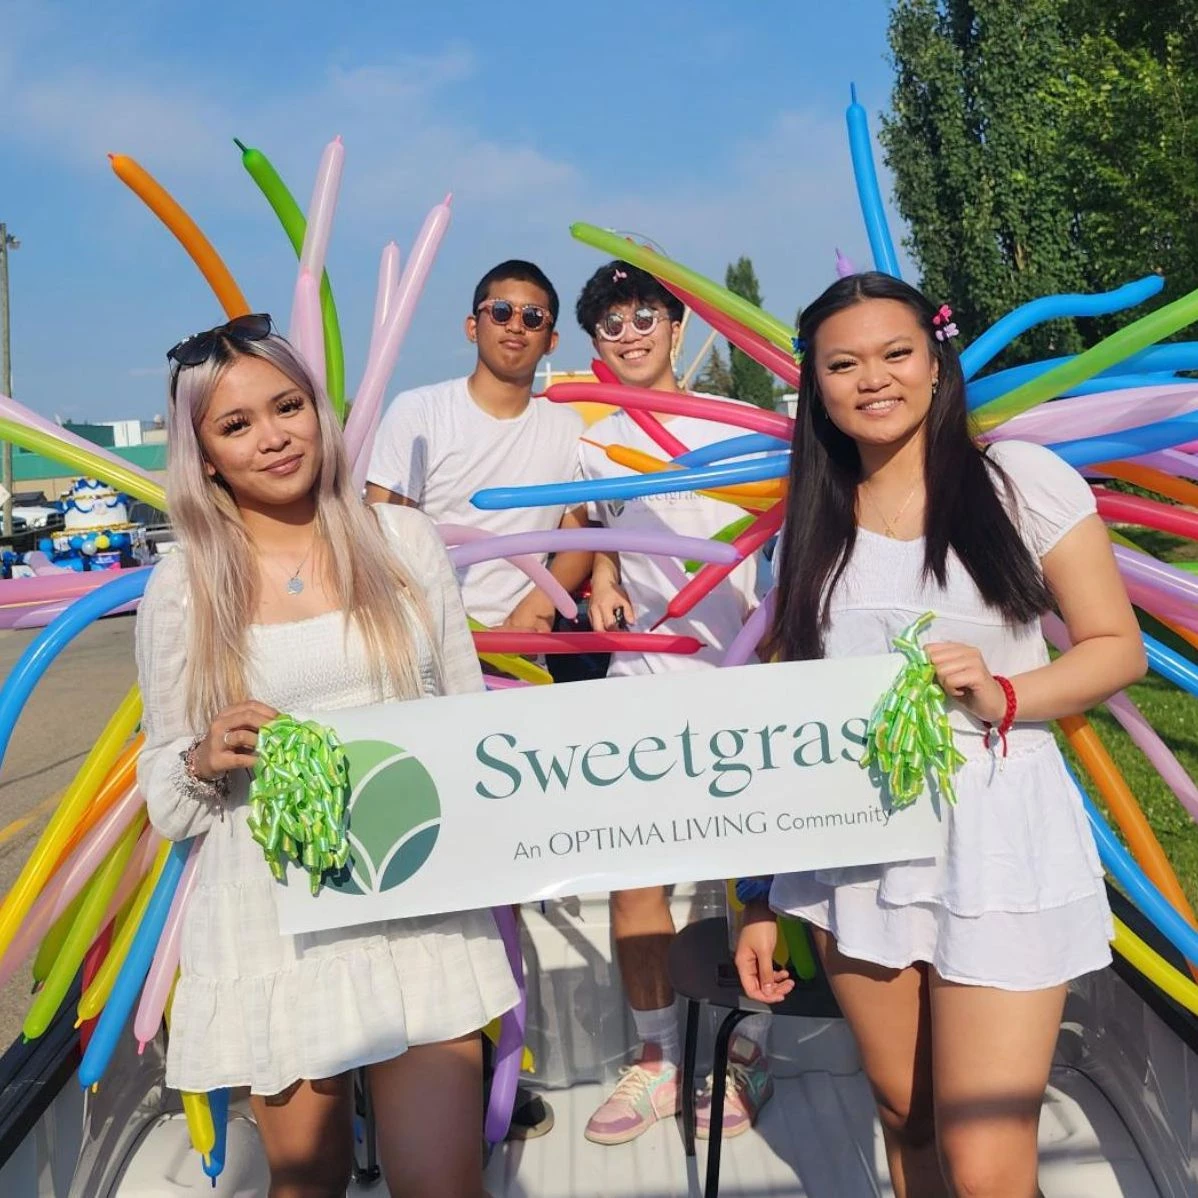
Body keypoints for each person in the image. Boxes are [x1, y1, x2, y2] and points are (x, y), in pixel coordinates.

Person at [734, 273, 1146, 1198]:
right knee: (903, 1117)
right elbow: (778, 715)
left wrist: (1006, 691)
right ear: (817, 385)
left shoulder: (1023, 481)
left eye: (895, 354)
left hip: (995, 839)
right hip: (856, 849)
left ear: (937, 360)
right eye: (844, 364)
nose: (872, 380)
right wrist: (754, 896)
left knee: (987, 1161)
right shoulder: (806, 523)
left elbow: (1117, 648)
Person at [136, 313, 518, 1198]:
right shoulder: (185, 585)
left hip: (417, 902)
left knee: (445, 1185)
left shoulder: (404, 544)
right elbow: (166, 795)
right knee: (307, 1185)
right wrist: (204, 756)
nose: (272, 438)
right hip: (274, 920)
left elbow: (469, 724)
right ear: (204, 454)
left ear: (321, 411)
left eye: (288, 407)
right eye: (236, 426)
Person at [574, 261, 773, 1145]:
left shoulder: (754, 428)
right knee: (633, 875)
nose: (630, 334)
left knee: (747, 882)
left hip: (741, 677)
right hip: (643, 679)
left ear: (680, 328)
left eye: (644, 316)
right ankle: (656, 1059)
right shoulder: (589, 442)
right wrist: (606, 577)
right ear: (595, 345)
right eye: (610, 324)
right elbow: (590, 528)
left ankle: (739, 1052)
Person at [365, 259, 590, 635]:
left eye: (533, 317)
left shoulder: (568, 428)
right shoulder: (418, 412)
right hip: (429, 640)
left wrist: (539, 603)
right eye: (501, 312)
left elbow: (578, 538)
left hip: (524, 649)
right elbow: (379, 531)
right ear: (473, 327)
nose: (516, 325)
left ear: (551, 340)